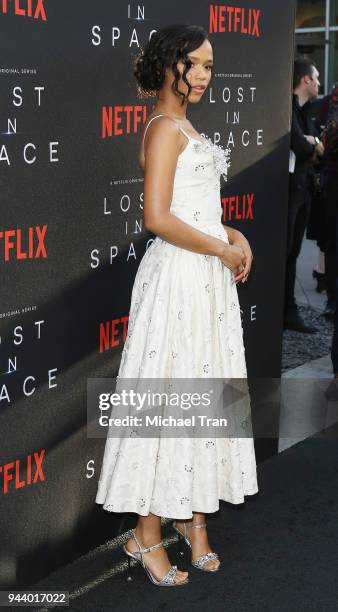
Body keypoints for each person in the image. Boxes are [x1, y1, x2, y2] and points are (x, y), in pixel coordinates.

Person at [95, 24, 258, 587]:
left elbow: (196, 210)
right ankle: (145, 535)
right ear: (174, 67)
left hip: (205, 279)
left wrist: (232, 236)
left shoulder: (186, 124)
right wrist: (219, 246)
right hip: (178, 282)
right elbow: (158, 218)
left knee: (206, 393)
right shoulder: (165, 128)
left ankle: (195, 522)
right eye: (202, 65)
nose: (210, 75)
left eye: (212, 66)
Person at [285, 57, 324, 333]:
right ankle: (284, 311)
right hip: (288, 194)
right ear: (306, 80)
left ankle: (289, 312)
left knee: (294, 253)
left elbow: (317, 146)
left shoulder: (308, 110)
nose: (320, 82)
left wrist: (314, 143)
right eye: (317, 77)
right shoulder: (288, 108)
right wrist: (312, 144)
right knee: (286, 253)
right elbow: (301, 146)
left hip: (303, 190)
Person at [319, 82, 338, 320]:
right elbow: (328, 142)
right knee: (334, 245)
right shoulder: (329, 104)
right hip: (334, 186)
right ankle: (333, 300)